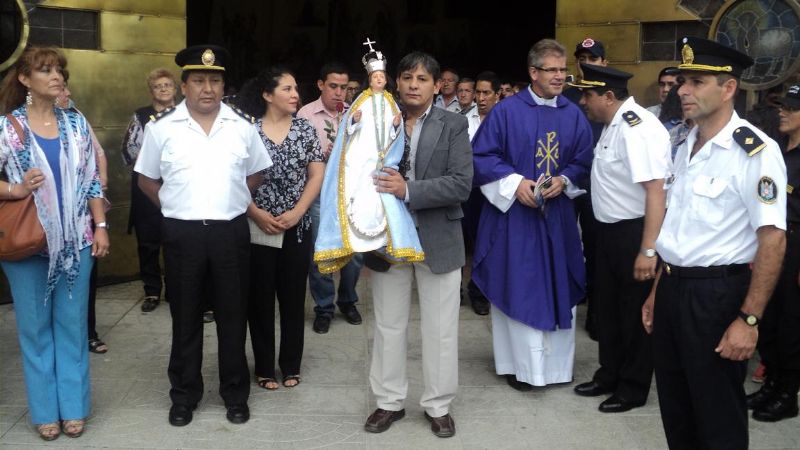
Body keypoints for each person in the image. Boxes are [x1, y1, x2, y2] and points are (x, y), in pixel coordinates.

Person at [641, 36, 786, 449]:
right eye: (683, 80)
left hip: (717, 296)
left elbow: (773, 239)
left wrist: (750, 320)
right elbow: (678, 228)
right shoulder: (684, 144)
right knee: (676, 406)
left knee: (716, 412)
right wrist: (656, 289)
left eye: (697, 81)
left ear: (728, 89)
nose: (684, 90)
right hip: (672, 288)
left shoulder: (755, 152)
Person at [134, 45, 271, 427]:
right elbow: (146, 179)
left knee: (232, 316)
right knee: (185, 317)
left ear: (223, 85)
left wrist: (232, 197)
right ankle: (184, 395)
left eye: (214, 80)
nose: (207, 88)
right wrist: (175, 206)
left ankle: (234, 394)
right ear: (183, 86)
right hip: (182, 234)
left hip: (230, 233)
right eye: (198, 81)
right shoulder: (161, 129)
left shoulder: (242, 127)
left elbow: (256, 173)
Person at [471, 38, 594, 391]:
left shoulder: (573, 113)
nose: (560, 77)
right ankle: (520, 367)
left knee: (557, 284)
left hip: (557, 220)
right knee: (519, 284)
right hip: (516, 221)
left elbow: (584, 160)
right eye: (552, 70)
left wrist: (565, 179)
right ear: (533, 72)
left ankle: (555, 369)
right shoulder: (506, 112)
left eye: (563, 70)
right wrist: (514, 184)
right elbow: (483, 157)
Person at [0, 46, 109, 441]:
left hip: (76, 241)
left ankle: (74, 408)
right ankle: (45, 410)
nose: (56, 76)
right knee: (34, 330)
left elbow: (93, 179)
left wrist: (101, 224)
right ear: (25, 80)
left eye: (59, 70)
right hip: (26, 245)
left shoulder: (76, 124)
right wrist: (14, 188)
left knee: (71, 325)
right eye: (45, 70)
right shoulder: (6, 128)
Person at [363, 51, 472, 438]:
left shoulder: (454, 124)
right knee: (388, 324)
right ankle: (388, 402)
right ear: (396, 81)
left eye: (422, 79)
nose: (413, 85)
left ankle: (438, 406)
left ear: (437, 85)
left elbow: (461, 183)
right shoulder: (378, 121)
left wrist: (408, 189)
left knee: (441, 328)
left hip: (437, 236)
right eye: (407, 77)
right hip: (387, 239)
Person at [570, 64, 669, 413]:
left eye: (588, 94)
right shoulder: (613, 125)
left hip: (635, 232)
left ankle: (633, 386)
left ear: (608, 96)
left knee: (634, 314)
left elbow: (656, 191)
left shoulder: (637, 129)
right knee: (608, 309)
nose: (583, 101)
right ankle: (609, 373)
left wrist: (648, 249)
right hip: (609, 231)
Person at [236, 66, 323, 391]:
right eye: (286, 89)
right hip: (257, 226)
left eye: (295, 89)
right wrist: (256, 213)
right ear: (267, 94)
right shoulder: (248, 131)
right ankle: (264, 367)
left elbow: (316, 173)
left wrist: (298, 211)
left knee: (292, 297)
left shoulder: (305, 129)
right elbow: (234, 180)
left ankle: (290, 364)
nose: (295, 95)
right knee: (259, 300)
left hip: (296, 227)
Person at [314, 41, 423, 272]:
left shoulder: (391, 101)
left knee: (378, 193)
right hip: (361, 151)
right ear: (370, 79)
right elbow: (348, 129)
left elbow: (396, 129)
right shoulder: (360, 100)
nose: (379, 81)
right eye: (375, 78)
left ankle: (384, 236)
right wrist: (353, 121)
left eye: (382, 77)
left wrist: (396, 126)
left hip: (382, 153)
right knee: (359, 186)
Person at [746, 85, 800, 422]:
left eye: (792, 108)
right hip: (771, 241)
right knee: (769, 319)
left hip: (795, 245)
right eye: (783, 106)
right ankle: (772, 382)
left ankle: (787, 393)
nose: (783, 111)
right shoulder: (778, 150)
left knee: (792, 324)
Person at [298, 62, 363, 334]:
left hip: (350, 194)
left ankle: (348, 299)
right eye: (333, 86)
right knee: (321, 252)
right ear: (321, 84)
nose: (339, 93)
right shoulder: (305, 114)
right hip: (319, 194)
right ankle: (324, 307)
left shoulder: (356, 114)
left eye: (344, 88)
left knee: (356, 253)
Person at [55, 79, 110, 355]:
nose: (67, 93)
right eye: (62, 89)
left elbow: (98, 154)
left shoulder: (76, 119)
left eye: (66, 86)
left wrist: (101, 185)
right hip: (41, 225)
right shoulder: (16, 124)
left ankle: (88, 332)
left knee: (85, 280)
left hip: (81, 221)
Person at [121, 68, 178, 313]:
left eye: (167, 85)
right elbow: (128, 151)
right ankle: (152, 291)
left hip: (177, 186)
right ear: (151, 91)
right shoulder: (141, 116)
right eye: (158, 86)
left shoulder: (186, 115)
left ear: (175, 89)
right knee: (148, 241)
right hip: (147, 187)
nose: (163, 89)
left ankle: (176, 290)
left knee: (177, 241)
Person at [563, 36, 608, 341]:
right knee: (566, 240)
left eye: (592, 59)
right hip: (567, 177)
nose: (586, 63)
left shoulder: (610, 94)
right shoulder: (566, 94)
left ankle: (596, 311)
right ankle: (571, 294)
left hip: (596, 182)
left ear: (603, 62)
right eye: (582, 58)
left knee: (595, 245)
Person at [464, 70, 500, 315]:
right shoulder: (465, 120)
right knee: (470, 243)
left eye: (486, 92)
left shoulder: (505, 120)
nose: (481, 97)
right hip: (471, 191)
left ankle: (481, 292)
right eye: (478, 92)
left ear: (497, 95)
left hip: (497, 191)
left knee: (490, 245)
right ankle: (465, 289)